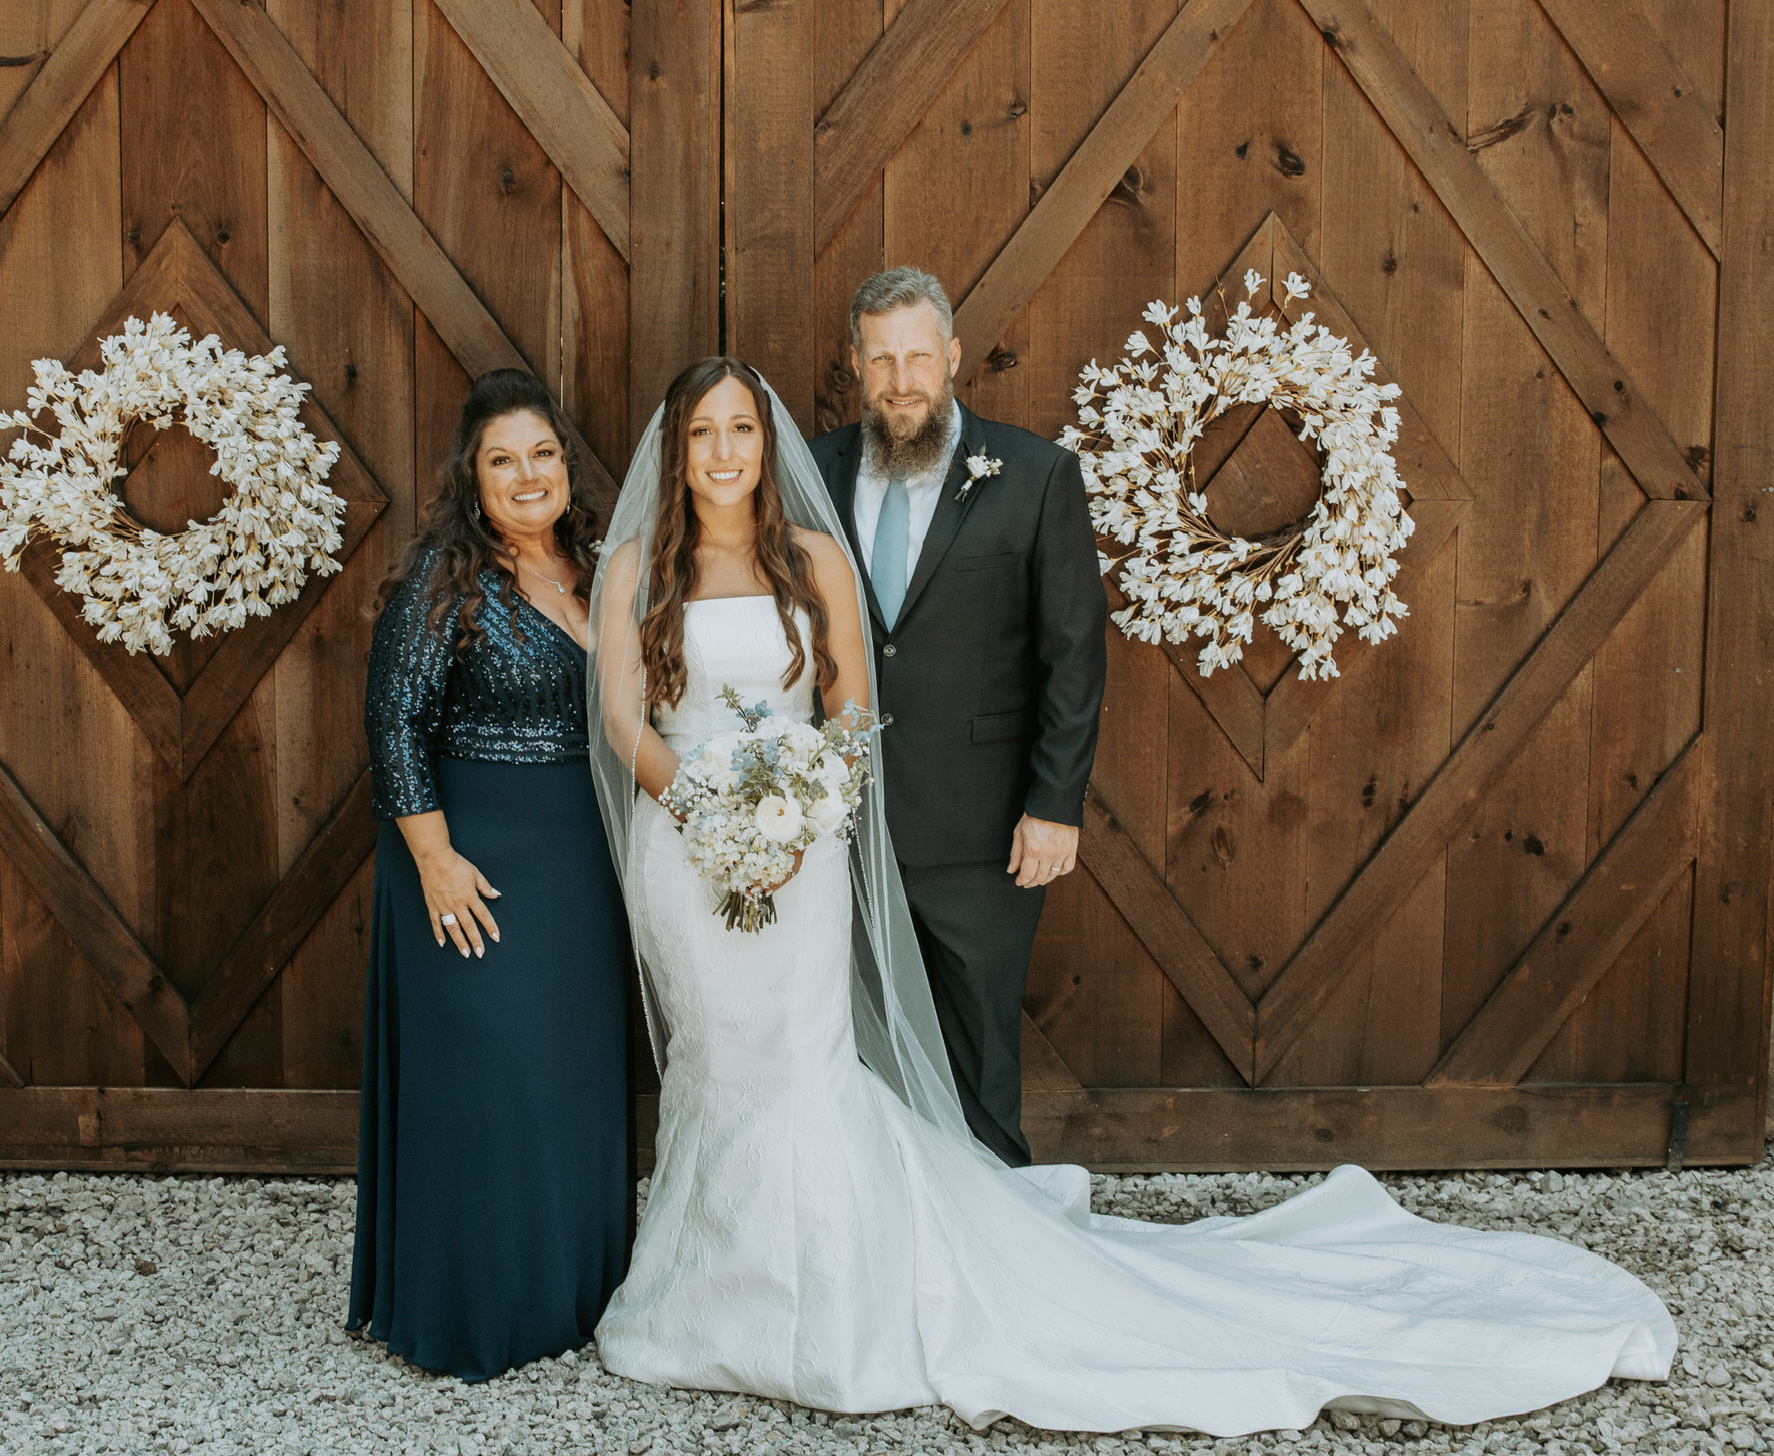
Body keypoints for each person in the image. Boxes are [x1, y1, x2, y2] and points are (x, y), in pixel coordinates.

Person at [583, 356, 1674, 1435]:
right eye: (701, 435)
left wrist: (794, 826)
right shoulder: (635, 567)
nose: (723, 453)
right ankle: (707, 1295)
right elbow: (627, 720)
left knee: (798, 1061)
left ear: (764, 447)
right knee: (715, 1063)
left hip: (802, 852)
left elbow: (850, 715)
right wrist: (711, 815)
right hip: (685, 853)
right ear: (675, 451)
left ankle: (819, 1302)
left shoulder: (811, 558)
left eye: (740, 431)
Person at [348, 368, 634, 1382]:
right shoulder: (444, 576)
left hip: (582, 861)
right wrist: (434, 863)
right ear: (472, 479)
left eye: (543, 455)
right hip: (473, 857)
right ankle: (479, 1308)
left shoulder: (602, 566)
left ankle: (578, 1294)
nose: (527, 476)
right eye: (502, 460)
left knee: (571, 1074)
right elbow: (395, 725)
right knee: (488, 1075)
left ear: (568, 466)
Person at [807, 266, 1107, 1166]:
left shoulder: (1036, 475)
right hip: (840, 828)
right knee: (852, 1061)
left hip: (984, 830)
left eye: (919, 359)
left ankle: (1003, 1257)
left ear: (953, 359)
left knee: (977, 1066)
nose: (902, 382)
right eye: (882, 360)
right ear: (854, 365)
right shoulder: (807, 476)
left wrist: (1055, 804)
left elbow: (1073, 656)